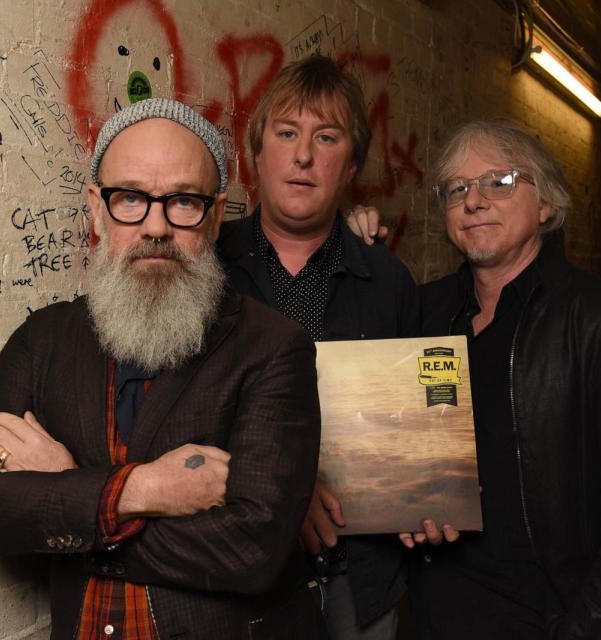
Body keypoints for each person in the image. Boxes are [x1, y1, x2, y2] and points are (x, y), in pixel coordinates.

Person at [0, 98, 324, 640]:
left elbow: (253, 551)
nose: (156, 226)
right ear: (97, 210)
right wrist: (141, 490)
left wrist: (66, 495)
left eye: (183, 202)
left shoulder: (274, 348)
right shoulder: (43, 340)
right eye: (130, 198)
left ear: (216, 217)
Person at [349, 120, 601, 638]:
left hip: (559, 618)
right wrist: (351, 251)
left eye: (500, 182)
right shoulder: (425, 313)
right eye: (457, 189)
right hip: (438, 615)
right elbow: (369, 425)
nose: (474, 201)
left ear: (546, 206)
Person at [215, 55, 453, 640]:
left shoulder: (389, 281)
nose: (302, 156)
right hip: (236, 576)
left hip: (360, 581)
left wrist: (429, 489)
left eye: (326, 137)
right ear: (257, 153)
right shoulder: (209, 268)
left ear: (351, 164)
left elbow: (414, 429)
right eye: (287, 133)